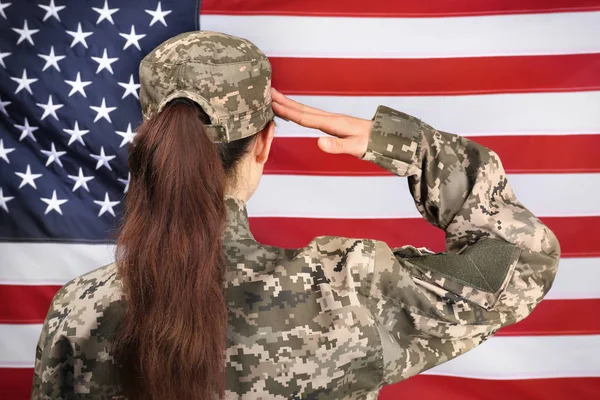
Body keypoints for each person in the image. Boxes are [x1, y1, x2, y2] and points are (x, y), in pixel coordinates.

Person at [31, 31, 560, 400]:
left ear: (149, 142)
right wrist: (410, 147)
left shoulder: (81, 309)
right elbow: (522, 261)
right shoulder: (345, 289)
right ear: (264, 143)